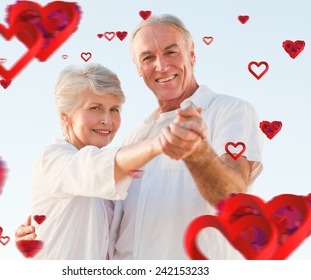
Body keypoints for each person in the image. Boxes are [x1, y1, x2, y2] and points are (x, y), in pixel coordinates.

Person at [16, 14, 263, 260]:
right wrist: (42, 236)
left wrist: (198, 153)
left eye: (171, 52)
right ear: (138, 68)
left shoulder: (230, 111)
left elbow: (233, 199)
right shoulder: (135, 140)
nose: (161, 65)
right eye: (148, 57)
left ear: (192, 54)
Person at [26, 63, 197, 259]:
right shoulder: (52, 158)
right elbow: (92, 169)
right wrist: (159, 142)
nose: (107, 120)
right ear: (66, 116)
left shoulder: (109, 181)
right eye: (95, 108)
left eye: (114, 109)